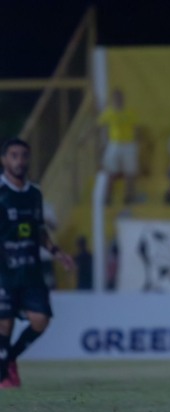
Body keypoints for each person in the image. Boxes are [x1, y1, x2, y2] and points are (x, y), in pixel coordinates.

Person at [0, 138, 75, 388]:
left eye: (23, 156)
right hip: (4, 270)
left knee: (41, 319)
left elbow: (39, 229)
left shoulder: (34, 194)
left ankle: (8, 359)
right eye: (13, 155)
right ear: (3, 160)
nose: (19, 161)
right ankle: (4, 377)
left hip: (30, 269)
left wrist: (56, 251)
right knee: (4, 321)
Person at [96, 88, 139, 205]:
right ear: (113, 99)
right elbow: (99, 126)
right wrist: (86, 138)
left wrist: (135, 143)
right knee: (109, 172)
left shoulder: (129, 112)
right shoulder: (109, 113)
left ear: (123, 99)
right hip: (114, 144)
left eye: (120, 98)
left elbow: (136, 129)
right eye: (116, 98)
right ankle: (107, 197)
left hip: (128, 144)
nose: (118, 100)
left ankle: (129, 196)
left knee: (130, 172)